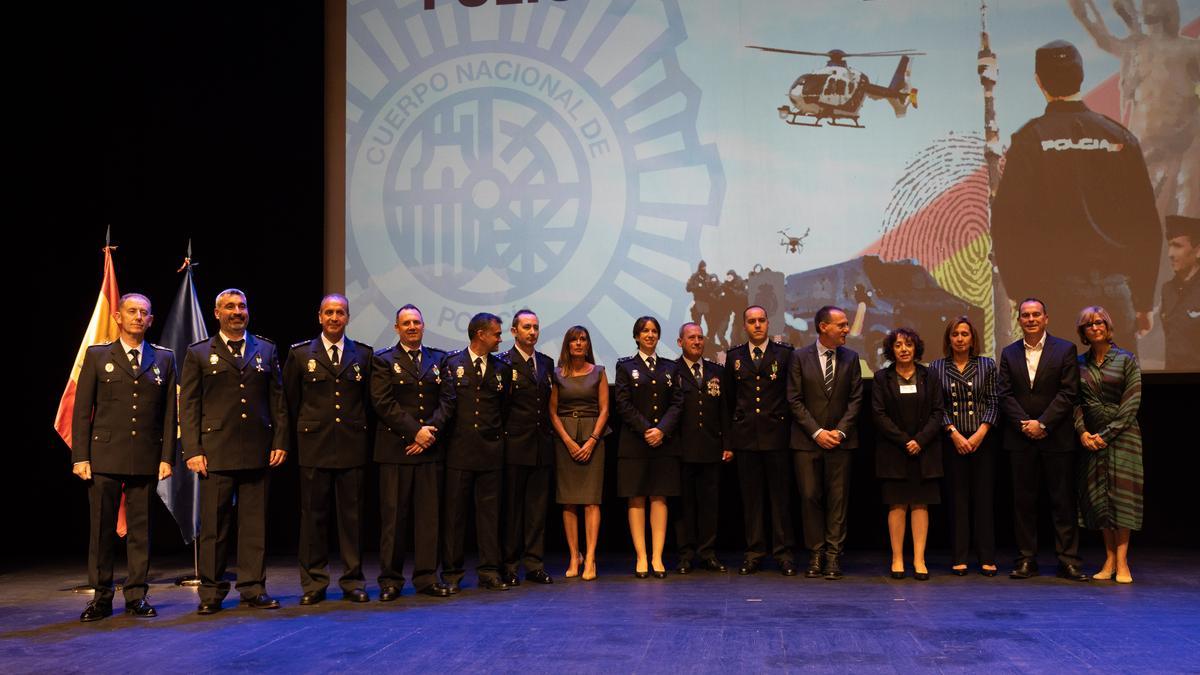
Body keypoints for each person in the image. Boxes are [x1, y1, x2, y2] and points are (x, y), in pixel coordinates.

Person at [991, 39, 1162, 352]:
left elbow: (1005, 226)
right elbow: (1146, 225)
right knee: (1116, 396)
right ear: (1081, 77)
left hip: (1054, 296)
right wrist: (1143, 300)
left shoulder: (1029, 140)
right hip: (1115, 296)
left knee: (1061, 397)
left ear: (1038, 81)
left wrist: (1021, 295)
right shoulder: (1120, 139)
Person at [180, 288, 288, 614]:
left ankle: (253, 588)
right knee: (214, 527)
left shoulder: (265, 349)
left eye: (242, 305)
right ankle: (211, 594)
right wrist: (192, 450)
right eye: (230, 306)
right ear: (217, 313)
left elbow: (278, 402)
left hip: (257, 450)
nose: (237, 311)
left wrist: (280, 441)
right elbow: (189, 405)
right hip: (215, 452)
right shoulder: (199, 352)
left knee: (254, 526)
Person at [71, 293, 175, 621]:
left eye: (144, 313)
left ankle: (136, 596)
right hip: (104, 457)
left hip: (144, 457)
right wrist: (80, 456)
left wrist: (167, 457)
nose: (137, 317)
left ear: (151, 320)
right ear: (118, 317)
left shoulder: (164, 359)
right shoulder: (98, 355)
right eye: (131, 312)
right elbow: (82, 410)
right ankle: (101, 598)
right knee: (101, 531)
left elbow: (170, 415)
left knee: (140, 533)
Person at [282, 294, 372, 605]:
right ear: (319, 316)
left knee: (353, 520)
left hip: (352, 446)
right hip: (314, 446)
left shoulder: (363, 354)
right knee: (313, 519)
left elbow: (368, 404)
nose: (335, 318)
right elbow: (289, 403)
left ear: (348, 317)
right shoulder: (299, 354)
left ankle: (353, 581)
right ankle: (314, 583)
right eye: (329, 312)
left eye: (341, 313)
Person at [997, 298, 1087, 581]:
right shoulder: (1009, 353)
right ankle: (1026, 558)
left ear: (1046, 318)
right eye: (1026, 315)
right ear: (1019, 320)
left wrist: (1043, 423)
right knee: (1023, 502)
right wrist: (1026, 425)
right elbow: (1005, 394)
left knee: (1062, 501)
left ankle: (1068, 560)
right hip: (1020, 438)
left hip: (1055, 437)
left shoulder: (1065, 349)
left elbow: (1068, 393)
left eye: (1036, 315)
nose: (1031, 319)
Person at [370, 304, 452, 599]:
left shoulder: (438, 359)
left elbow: (448, 401)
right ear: (397, 328)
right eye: (406, 323)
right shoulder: (382, 360)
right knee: (394, 519)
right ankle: (391, 580)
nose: (412, 327)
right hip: (396, 450)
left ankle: (427, 578)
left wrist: (428, 433)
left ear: (423, 325)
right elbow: (382, 402)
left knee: (429, 519)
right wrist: (413, 431)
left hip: (429, 450)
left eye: (416, 322)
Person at [787, 305, 863, 580]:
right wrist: (817, 432)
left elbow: (856, 400)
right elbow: (794, 400)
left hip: (841, 443)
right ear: (823, 327)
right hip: (807, 443)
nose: (846, 329)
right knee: (810, 498)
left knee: (838, 501)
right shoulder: (798, 357)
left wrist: (840, 432)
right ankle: (815, 553)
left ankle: (833, 556)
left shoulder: (852, 358)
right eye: (841, 324)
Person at [439, 312, 512, 592]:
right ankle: (453, 573)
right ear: (480, 334)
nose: (500, 338)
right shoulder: (452, 363)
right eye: (496, 333)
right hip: (459, 450)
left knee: (490, 515)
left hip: (491, 451)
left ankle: (489, 571)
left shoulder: (501, 368)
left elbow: (502, 408)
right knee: (455, 516)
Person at [724, 306, 796, 576]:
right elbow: (729, 401)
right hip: (746, 439)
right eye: (752, 321)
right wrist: (729, 441)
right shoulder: (735, 357)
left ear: (768, 323)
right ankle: (754, 552)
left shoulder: (785, 354)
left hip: (777, 437)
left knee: (780, 500)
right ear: (744, 325)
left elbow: (791, 397)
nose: (757, 325)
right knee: (751, 501)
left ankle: (784, 553)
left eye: (761, 321)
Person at [1074, 306, 1144, 584]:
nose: (1095, 327)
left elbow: (1132, 402)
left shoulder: (1126, 359)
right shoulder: (1078, 363)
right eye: (1089, 325)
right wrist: (1082, 432)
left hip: (1123, 436)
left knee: (1122, 498)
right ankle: (1109, 558)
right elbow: (1074, 402)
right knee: (1099, 498)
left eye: (1100, 322)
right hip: (1091, 439)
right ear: (1083, 331)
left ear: (1108, 325)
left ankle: (1123, 561)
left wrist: (1108, 433)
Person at [871, 328, 944, 581]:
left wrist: (920, 441)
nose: (903, 349)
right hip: (894, 450)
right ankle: (897, 558)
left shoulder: (929, 375)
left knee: (920, 503)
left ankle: (919, 559)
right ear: (891, 349)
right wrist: (905, 441)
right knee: (898, 503)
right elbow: (879, 414)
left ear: (916, 348)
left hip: (924, 450)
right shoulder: (882, 378)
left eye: (909, 345)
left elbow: (938, 412)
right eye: (898, 345)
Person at [929, 317, 1000, 577]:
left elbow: (994, 401)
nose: (960, 339)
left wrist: (981, 432)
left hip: (983, 439)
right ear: (948, 339)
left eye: (964, 334)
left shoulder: (987, 365)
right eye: (955, 334)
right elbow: (938, 406)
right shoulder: (936, 367)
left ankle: (987, 557)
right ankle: (959, 556)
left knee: (983, 500)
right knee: (957, 500)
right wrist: (954, 433)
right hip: (953, 441)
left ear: (973, 339)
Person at [614, 316, 683, 578]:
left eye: (654, 331)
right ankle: (641, 557)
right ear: (636, 336)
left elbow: (678, 403)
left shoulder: (669, 367)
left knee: (659, 496)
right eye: (645, 331)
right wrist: (647, 430)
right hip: (635, 443)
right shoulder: (625, 367)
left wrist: (661, 430)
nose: (650, 335)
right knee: (637, 496)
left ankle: (657, 557)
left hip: (663, 442)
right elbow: (622, 404)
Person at [548, 325, 609, 581]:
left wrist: (592, 440)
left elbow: (605, 409)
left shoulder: (599, 372)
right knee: (569, 500)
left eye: (583, 339)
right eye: (574, 340)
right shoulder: (557, 374)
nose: (579, 343)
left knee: (591, 500)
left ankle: (591, 558)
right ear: (567, 344)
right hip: (565, 438)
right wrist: (568, 441)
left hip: (593, 436)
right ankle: (575, 555)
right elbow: (552, 411)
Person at [500, 309, 556, 586]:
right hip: (514, 446)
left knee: (537, 511)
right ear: (514, 332)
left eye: (535, 327)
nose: (532, 332)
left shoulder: (546, 363)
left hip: (541, 446)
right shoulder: (503, 362)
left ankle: (534, 564)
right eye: (526, 327)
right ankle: (509, 565)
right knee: (512, 511)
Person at [673, 323, 732, 574]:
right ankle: (686, 555)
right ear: (680, 342)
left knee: (710, 504)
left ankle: (708, 553)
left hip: (711, 447)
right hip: (681, 449)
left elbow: (725, 410)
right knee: (684, 505)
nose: (697, 342)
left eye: (700, 337)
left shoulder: (717, 370)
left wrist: (728, 444)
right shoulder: (671, 371)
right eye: (691, 338)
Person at [1160, 215, 1199, 371]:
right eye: (1170, 246)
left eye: (1177, 246)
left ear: (1198, 251)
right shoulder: (1167, 290)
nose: (1170, 253)